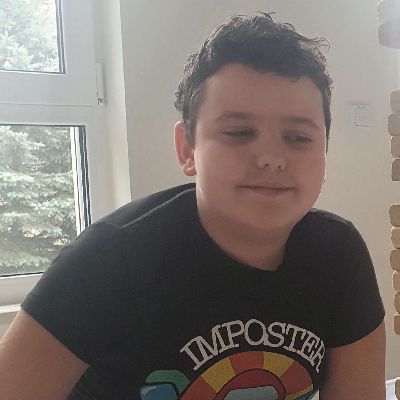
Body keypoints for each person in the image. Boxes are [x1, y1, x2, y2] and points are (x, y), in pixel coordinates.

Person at [0, 12, 386, 400]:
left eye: (299, 138)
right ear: (187, 149)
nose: (271, 158)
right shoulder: (107, 260)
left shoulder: (340, 255)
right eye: (239, 132)